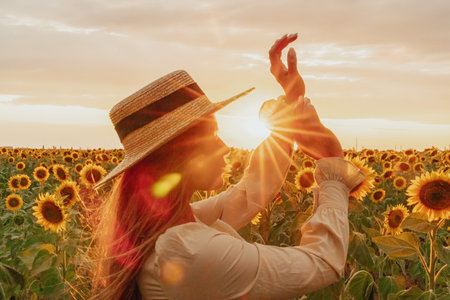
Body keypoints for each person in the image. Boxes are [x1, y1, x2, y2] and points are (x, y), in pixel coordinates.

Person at [88, 33, 365, 300]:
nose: (224, 146)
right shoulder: (187, 252)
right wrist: (332, 167)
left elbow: (246, 195)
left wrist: (289, 108)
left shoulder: (168, 224)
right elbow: (321, 263)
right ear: (177, 155)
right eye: (211, 135)